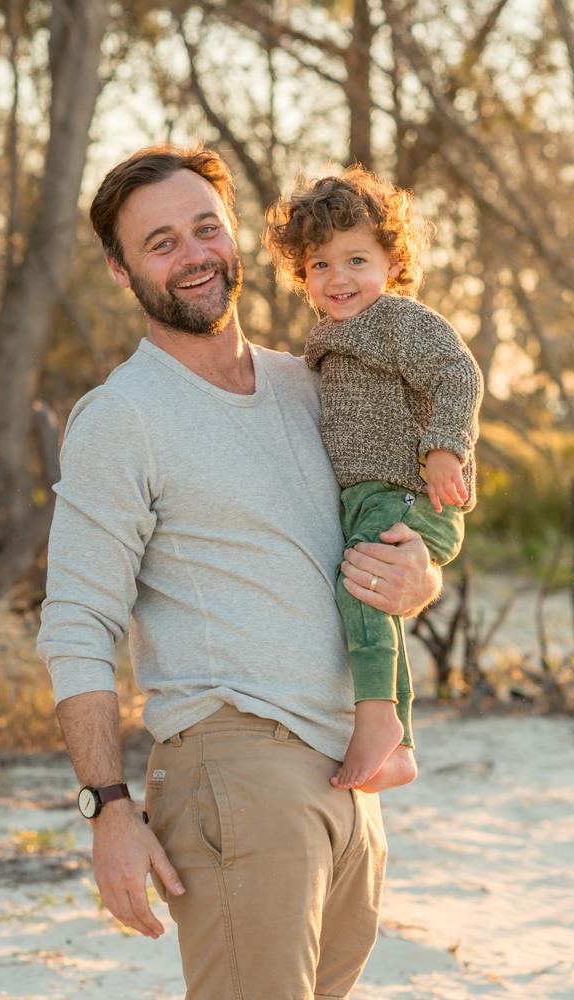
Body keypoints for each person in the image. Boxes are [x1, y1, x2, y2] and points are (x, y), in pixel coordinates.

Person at [37, 144, 441, 1000]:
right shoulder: (122, 418)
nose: (192, 255)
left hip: (349, 771)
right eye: (160, 243)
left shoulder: (315, 381)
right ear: (121, 270)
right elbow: (78, 622)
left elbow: (381, 525)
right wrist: (108, 807)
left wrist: (419, 577)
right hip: (234, 764)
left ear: (234, 239)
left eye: (203, 228)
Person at [264, 165, 483, 794]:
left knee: (360, 587)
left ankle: (376, 719)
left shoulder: (398, 320)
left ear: (391, 261)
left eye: (356, 259)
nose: (338, 279)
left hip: (412, 491)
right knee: (373, 602)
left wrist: (445, 448)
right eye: (319, 266)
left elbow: (457, 375)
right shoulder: (328, 337)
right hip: (371, 496)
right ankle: (399, 749)